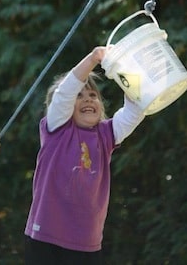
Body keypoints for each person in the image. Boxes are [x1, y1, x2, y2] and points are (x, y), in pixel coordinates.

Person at [24, 46, 146, 265]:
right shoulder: (57, 129)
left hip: (87, 244)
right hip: (46, 239)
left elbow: (135, 109)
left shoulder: (107, 135)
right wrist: (92, 59)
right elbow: (64, 93)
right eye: (79, 96)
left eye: (93, 95)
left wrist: (123, 69)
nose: (88, 100)